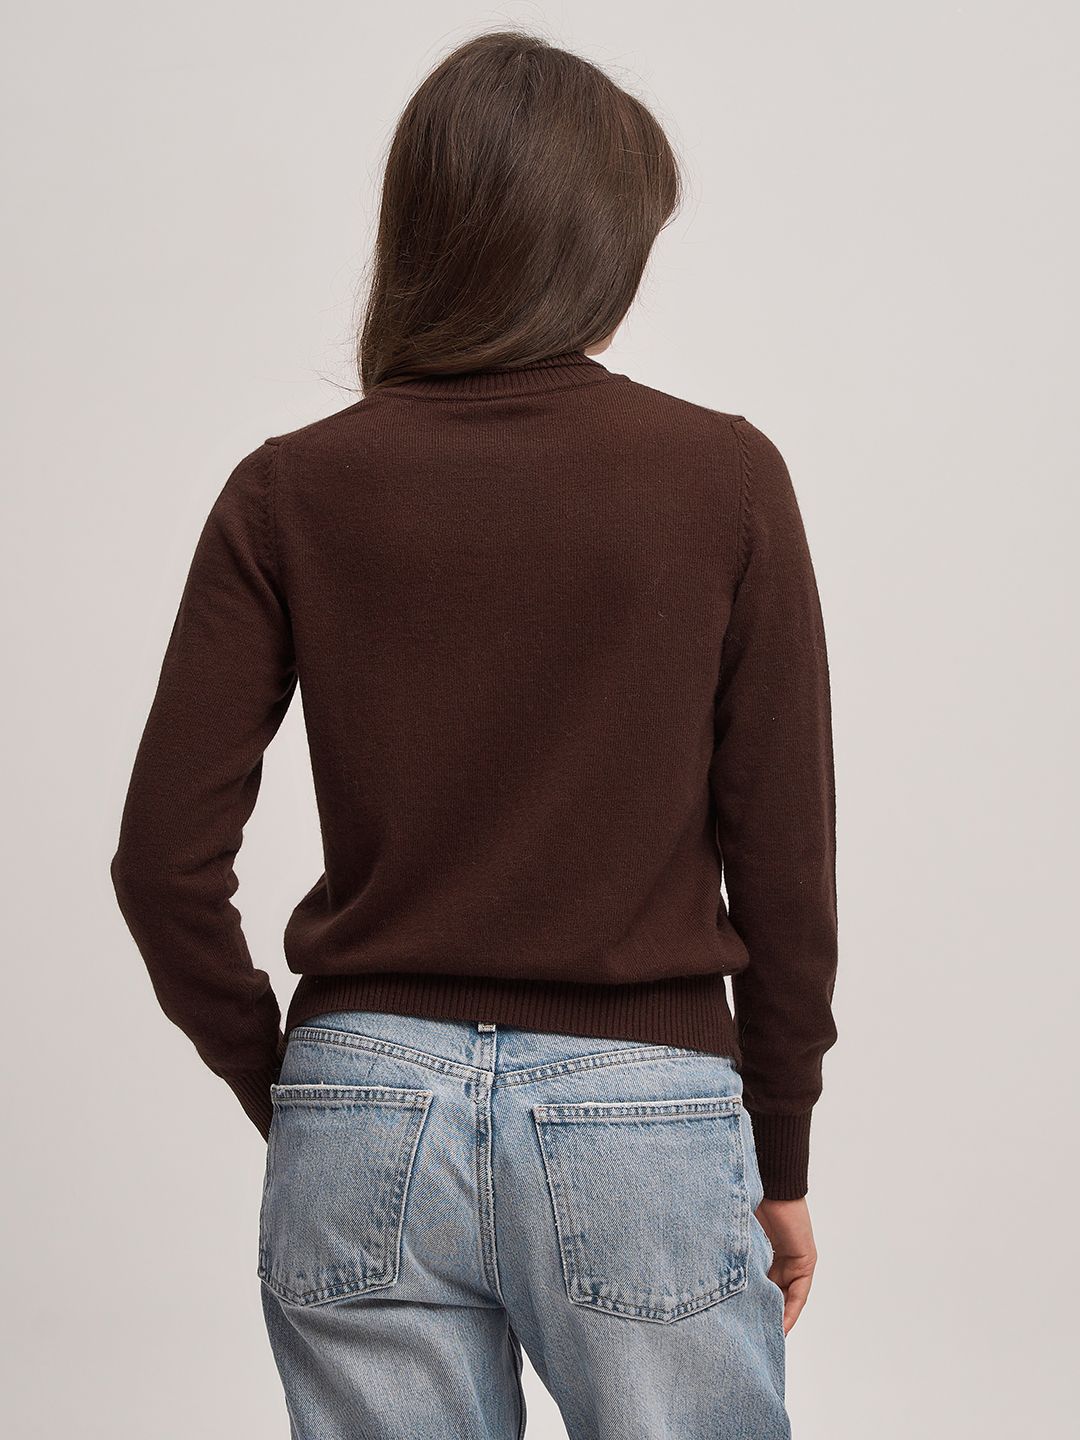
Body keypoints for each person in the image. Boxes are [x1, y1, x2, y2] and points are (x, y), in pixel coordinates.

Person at [110, 28, 838, 1440]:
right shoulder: (726, 479)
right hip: (642, 1112)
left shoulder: (288, 490)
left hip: (362, 1104)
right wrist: (783, 1144)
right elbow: (784, 860)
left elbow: (161, 866)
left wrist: (307, 1087)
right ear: (597, 252)